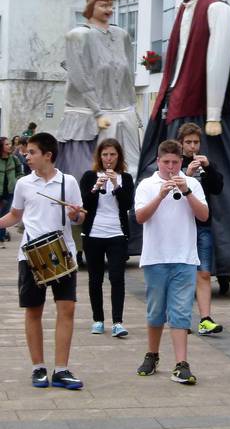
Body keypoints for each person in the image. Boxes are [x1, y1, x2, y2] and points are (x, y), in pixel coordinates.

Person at [138, 0, 230, 281]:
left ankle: (221, 262)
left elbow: (218, 60)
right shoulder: (184, 10)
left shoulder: (217, 9)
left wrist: (212, 114)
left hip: (201, 112)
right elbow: (177, 63)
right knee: (159, 175)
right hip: (174, 110)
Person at [0, 132, 85, 389]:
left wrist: (75, 214)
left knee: (66, 309)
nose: (27, 157)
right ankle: (38, 368)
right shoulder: (24, 184)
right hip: (30, 254)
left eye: (32, 152)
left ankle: (61, 369)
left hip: (62, 252)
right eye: (26, 153)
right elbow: (15, 215)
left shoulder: (68, 182)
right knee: (34, 311)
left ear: (48, 155)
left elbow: (79, 217)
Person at [134, 139, 208, 385]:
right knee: (155, 311)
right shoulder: (147, 185)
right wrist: (161, 194)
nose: (171, 168)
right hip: (156, 257)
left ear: (181, 162)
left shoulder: (193, 184)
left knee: (181, 312)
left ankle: (181, 363)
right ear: (158, 162)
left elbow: (204, 215)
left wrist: (185, 190)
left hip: (184, 257)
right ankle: (152, 354)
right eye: (166, 162)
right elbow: (140, 217)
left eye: (175, 163)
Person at [56, 0, 140, 179]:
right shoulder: (78, 35)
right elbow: (79, 76)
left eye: (110, 5)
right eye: (103, 5)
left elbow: (128, 75)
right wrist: (98, 111)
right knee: (89, 173)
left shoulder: (121, 35)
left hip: (122, 113)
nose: (108, 9)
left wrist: (131, 106)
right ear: (90, 7)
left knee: (130, 169)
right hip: (90, 116)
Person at [79, 138, 134, 337]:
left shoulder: (125, 178)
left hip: (117, 233)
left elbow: (128, 204)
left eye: (112, 155)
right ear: (99, 157)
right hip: (93, 234)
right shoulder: (89, 176)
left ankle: (118, 322)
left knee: (117, 277)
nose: (108, 159)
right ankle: (98, 319)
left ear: (118, 156)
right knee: (95, 279)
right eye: (104, 155)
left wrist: (115, 184)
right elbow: (83, 203)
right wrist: (96, 187)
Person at [177, 123, 224, 336]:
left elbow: (218, 188)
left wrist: (210, 168)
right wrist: (187, 173)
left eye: (196, 142)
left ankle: (205, 319)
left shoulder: (206, 164)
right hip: (182, 226)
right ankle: (182, 319)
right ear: (181, 144)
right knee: (183, 275)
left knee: (204, 272)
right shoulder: (175, 165)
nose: (192, 147)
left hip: (203, 225)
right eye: (188, 142)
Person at [1, 136, 23, 244]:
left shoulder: (14, 158)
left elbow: (20, 172)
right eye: (6, 144)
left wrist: (16, 180)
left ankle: (1, 236)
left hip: (9, 192)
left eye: (9, 144)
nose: (9, 146)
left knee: (4, 214)